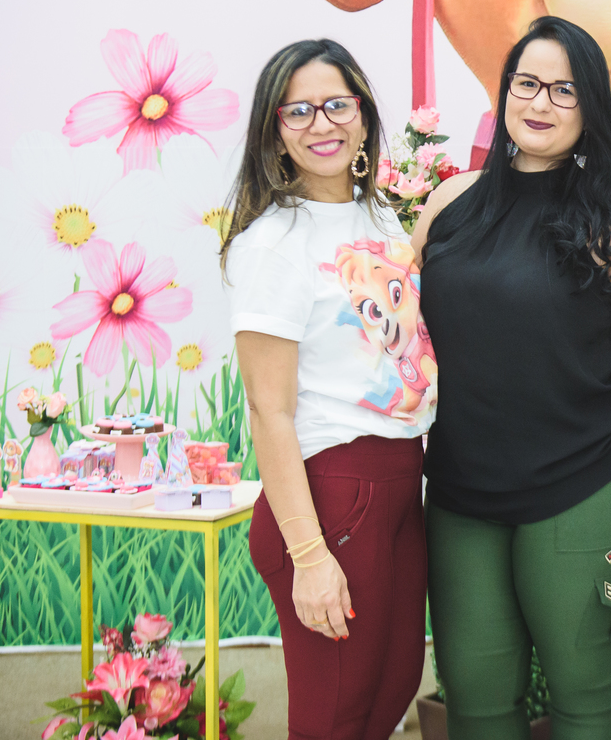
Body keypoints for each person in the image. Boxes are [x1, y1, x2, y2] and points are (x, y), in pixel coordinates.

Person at [409, 16, 611, 740]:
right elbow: (398, 336)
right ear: (503, 92)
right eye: (527, 83)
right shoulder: (449, 203)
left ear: (592, 106)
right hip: (462, 493)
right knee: (475, 697)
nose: (541, 102)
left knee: (584, 692)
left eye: (565, 90)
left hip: (587, 482)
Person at [220, 39, 435, 740]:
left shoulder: (378, 217)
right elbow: (269, 410)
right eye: (299, 111)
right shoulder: (272, 243)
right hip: (334, 491)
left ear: (364, 115)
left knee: (392, 690)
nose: (322, 124)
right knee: (335, 716)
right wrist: (310, 556)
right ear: (274, 129)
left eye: (337, 104)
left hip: (399, 480)